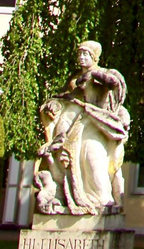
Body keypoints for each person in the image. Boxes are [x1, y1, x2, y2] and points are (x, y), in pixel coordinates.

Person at [34, 41, 130, 215]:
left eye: (86, 54)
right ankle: (68, 198)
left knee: (93, 159)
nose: (82, 57)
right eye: (79, 54)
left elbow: (117, 86)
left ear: (94, 57)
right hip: (74, 125)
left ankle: (102, 200)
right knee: (69, 161)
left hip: (97, 125)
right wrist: (53, 104)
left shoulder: (105, 74)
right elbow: (63, 98)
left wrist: (94, 74)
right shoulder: (73, 79)